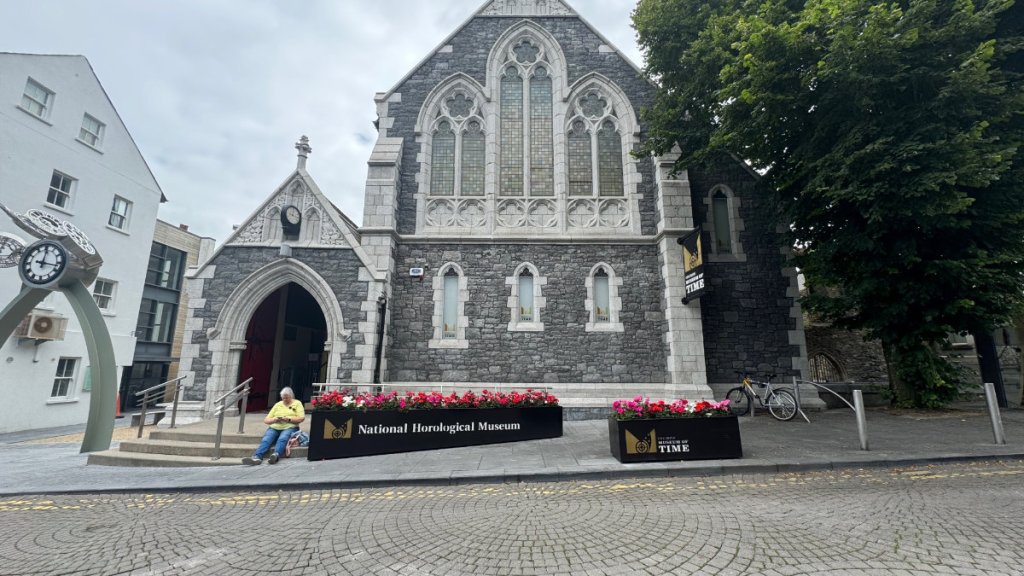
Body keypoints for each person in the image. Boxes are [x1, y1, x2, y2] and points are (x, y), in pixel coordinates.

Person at [242, 387, 305, 465]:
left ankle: (276, 455)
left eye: (287, 398)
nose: (285, 399)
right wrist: (274, 420)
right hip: (275, 426)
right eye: (283, 398)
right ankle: (257, 457)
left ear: (291, 396)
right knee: (266, 439)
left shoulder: (297, 403)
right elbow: (266, 420)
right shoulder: (278, 404)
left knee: (282, 438)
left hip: (290, 426)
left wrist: (288, 419)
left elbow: (301, 418)